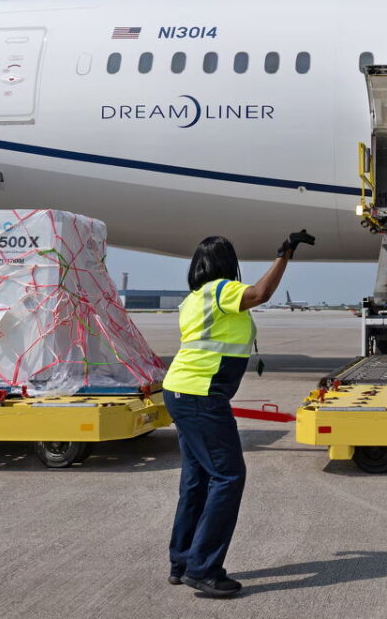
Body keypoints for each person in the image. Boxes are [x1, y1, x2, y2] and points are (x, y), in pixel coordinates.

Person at [164, 228, 315, 598]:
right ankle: (203, 569)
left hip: (181, 392)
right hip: (202, 396)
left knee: (197, 479)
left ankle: (182, 561)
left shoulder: (194, 298)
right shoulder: (221, 289)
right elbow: (260, 294)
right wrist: (285, 255)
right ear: (226, 265)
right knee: (229, 476)